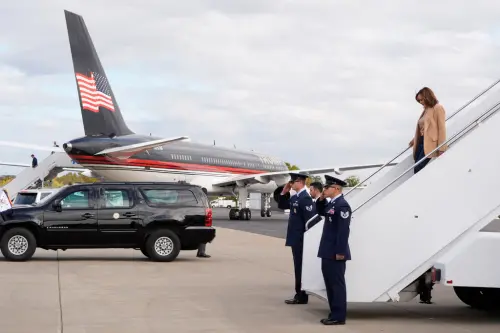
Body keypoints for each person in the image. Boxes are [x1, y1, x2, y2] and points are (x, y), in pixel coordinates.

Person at [315, 175, 351, 325]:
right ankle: (334, 313)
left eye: (327, 187)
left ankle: (339, 316)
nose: (324, 190)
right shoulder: (332, 204)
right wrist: (322, 197)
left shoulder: (342, 206)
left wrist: (340, 252)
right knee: (329, 284)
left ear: (336, 188)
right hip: (327, 251)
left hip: (336, 253)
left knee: (336, 285)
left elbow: (343, 232)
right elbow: (320, 211)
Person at [275, 172, 316, 304]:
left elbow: (310, 222)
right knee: (297, 266)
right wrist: (284, 192)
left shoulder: (305, 198)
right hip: (295, 238)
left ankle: (301, 295)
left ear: (300, 182)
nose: (290, 184)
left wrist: (308, 240)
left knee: (300, 267)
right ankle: (299, 293)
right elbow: (282, 205)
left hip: (301, 239)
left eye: (292, 182)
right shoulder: (296, 197)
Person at [409, 87, 448, 174]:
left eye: (422, 100)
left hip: (430, 143)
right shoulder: (426, 110)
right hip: (420, 142)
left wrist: (442, 148)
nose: (421, 102)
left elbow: (441, 128)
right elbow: (423, 127)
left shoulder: (438, 108)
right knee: (416, 166)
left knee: (419, 166)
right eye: (419, 101)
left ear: (428, 97)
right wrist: (414, 139)